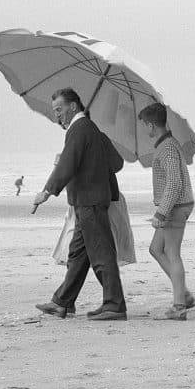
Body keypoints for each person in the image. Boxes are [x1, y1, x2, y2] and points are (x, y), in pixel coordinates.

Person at [33, 88, 127, 321]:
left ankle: (114, 305)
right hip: (87, 201)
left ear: (73, 106)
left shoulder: (80, 129)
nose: (57, 115)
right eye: (55, 111)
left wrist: (46, 191)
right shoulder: (91, 131)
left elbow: (68, 165)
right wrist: (91, 160)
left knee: (102, 253)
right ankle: (62, 302)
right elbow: (116, 163)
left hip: (89, 201)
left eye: (59, 109)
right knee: (78, 255)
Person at [138, 103, 195, 321]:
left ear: (151, 126)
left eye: (145, 125)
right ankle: (184, 294)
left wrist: (161, 213)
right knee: (155, 249)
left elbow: (174, 183)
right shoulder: (165, 145)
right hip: (175, 206)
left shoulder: (168, 148)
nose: (145, 130)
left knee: (172, 253)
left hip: (175, 207)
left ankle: (179, 305)